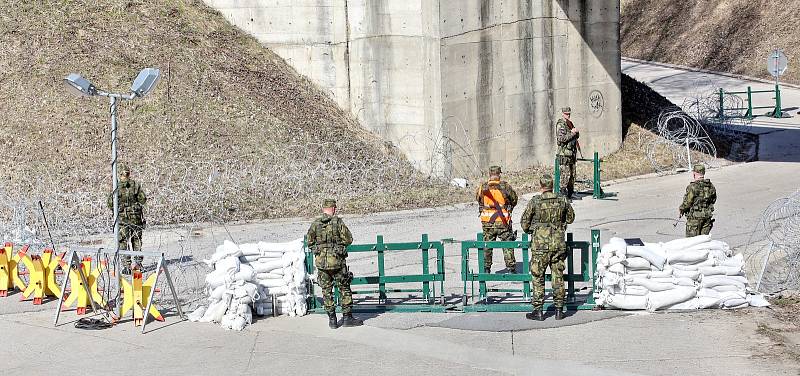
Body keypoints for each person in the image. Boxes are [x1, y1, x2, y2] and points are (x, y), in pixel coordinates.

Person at [521, 175, 575, 321]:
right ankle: (559, 310)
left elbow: (524, 223)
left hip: (540, 246)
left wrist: (535, 230)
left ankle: (538, 311)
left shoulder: (535, 201)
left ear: (541, 186)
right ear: (552, 186)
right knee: (558, 275)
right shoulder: (562, 200)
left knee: (537, 276)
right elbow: (571, 218)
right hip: (558, 244)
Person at [306, 199, 363, 329]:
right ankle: (347, 318)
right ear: (333, 209)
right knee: (344, 288)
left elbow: (309, 242)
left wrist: (319, 251)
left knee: (326, 291)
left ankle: (332, 320)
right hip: (337, 262)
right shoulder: (338, 222)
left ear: (323, 209)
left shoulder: (315, 224)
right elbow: (349, 239)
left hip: (322, 264)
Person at [476, 166, 518, 273]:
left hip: (487, 221)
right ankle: (511, 268)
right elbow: (514, 199)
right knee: (507, 243)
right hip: (502, 220)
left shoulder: (483, 187)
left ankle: (486, 268)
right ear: (499, 174)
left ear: (489, 175)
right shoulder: (505, 186)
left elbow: (478, 199)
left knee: (487, 244)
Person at [107, 164, 146, 274]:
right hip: (136, 218)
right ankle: (138, 263)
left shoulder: (116, 186)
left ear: (120, 174)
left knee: (123, 241)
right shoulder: (135, 185)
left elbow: (110, 203)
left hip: (123, 219)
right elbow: (143, 199)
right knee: (136, 240)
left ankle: (126, 266)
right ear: (129, 174)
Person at [679, 164, 716, 237]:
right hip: (706, 217)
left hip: (694, 219)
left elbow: (687, 203)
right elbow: (713, 200)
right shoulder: (710, 186)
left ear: (694, 174)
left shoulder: (692, 187)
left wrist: (681, 209)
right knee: (704, 241)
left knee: (692, 243)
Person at [556, 107, 579, 199]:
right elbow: (561, 139)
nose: (568, 115)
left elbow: (576, 136)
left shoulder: (570, 123)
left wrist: (576, 133)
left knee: (573, 174)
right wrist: (572, 133)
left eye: (569, 113)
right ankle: (563, 194)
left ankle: (570, 192)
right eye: (566, 113)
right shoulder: (560, 125)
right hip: (564, 153)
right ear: (562, 114)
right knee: (565, 174)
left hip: (571, 153)